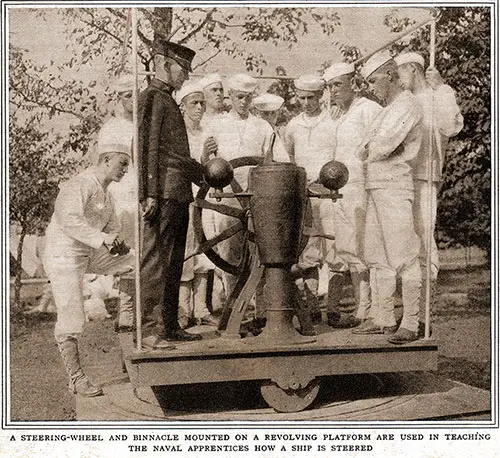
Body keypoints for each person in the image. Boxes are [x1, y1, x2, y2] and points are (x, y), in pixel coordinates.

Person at [43, 130, 134, 397]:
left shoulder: (108, 196)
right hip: (64, 254)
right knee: (72, 316)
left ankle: (128, 330)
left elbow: (114, 230)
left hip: (91, 252)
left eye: (127, 165)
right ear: (106, 160)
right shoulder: (79, 184)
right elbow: (68, 220)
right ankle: (76, 378)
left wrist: (118, 243)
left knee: (133, 263)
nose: (125, 170)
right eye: (122, 164)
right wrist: (104, 238)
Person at [138, 40, 209, 347]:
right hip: (164, 194)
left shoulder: (167, 100)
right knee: (157, 262)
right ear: (164, 64)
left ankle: (168, 326)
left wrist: (204, 175)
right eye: (182, 69)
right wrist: (149, 193)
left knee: (174, 263)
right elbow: (146, 148)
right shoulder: (153, 98)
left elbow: (177, 156)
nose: (185, 76)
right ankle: (150, 330)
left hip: (178, 193)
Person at [352, 50, 423, 344]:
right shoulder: (386, 109)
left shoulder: (408, 104)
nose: (371, 88)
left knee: (404, 253)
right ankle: (383, 317)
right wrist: (372, 149)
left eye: (374, 81)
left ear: (391, 75)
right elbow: (362, 148)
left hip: (395, 184)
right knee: (376, 254)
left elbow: (381, 146)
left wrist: (374, 149)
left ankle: (411, 321)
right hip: (375, 184)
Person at [395, 52, 463, 335]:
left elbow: (452, 126)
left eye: (401, 74)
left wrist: (443, 89)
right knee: (403, 247)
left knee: (424, 244)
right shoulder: (405, 101)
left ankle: (422, 315)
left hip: (425, 177)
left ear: (413, 69)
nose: (399, 80)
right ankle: (406, 312)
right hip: (399, 180)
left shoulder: (438, 95)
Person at [202, 73, 283, 296]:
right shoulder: (216, 125)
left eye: (247, 98)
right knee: (229, 252)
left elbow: (278, 160)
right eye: (239, 97)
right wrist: (204, 155)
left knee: (261, 251)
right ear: (230, 96)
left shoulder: (263, 127)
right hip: (226, 199)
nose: (243, 102)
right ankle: (233, 304)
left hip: (259, 198)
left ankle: (259, 309)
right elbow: (207, 165)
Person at [322, 62, 383, 328]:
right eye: (330, 86)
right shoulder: (338, 116)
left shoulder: (369, 110)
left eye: (338, 85)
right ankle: (362, 309)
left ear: (354, 84)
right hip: (340, 192)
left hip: (362, 189)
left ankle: (374, 310)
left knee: (367, 248)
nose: (332, 92)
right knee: (349, 249)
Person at [283, 75, 338, 325]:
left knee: (335, 249)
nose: (306, 102)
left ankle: (335, 309)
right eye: (301, 98)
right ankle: (312, 306)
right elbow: (289, 159)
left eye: (311, 98)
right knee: (308, 252)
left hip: (330, 195)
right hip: (305, 198)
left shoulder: (333, 121)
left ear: (321, 96)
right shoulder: (293, 125)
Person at [176, 82, 219, 329]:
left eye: (202, 103)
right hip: (187, 199)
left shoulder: (208, 132)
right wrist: (201, 158)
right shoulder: (179, 135)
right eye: (194, 103)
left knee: (206, 252)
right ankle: (183, 310)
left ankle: (201, 309)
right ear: (183, 107)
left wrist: (208, 158)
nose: (200, 107)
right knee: (186, 253)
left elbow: (214, 169)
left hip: (207, 201)